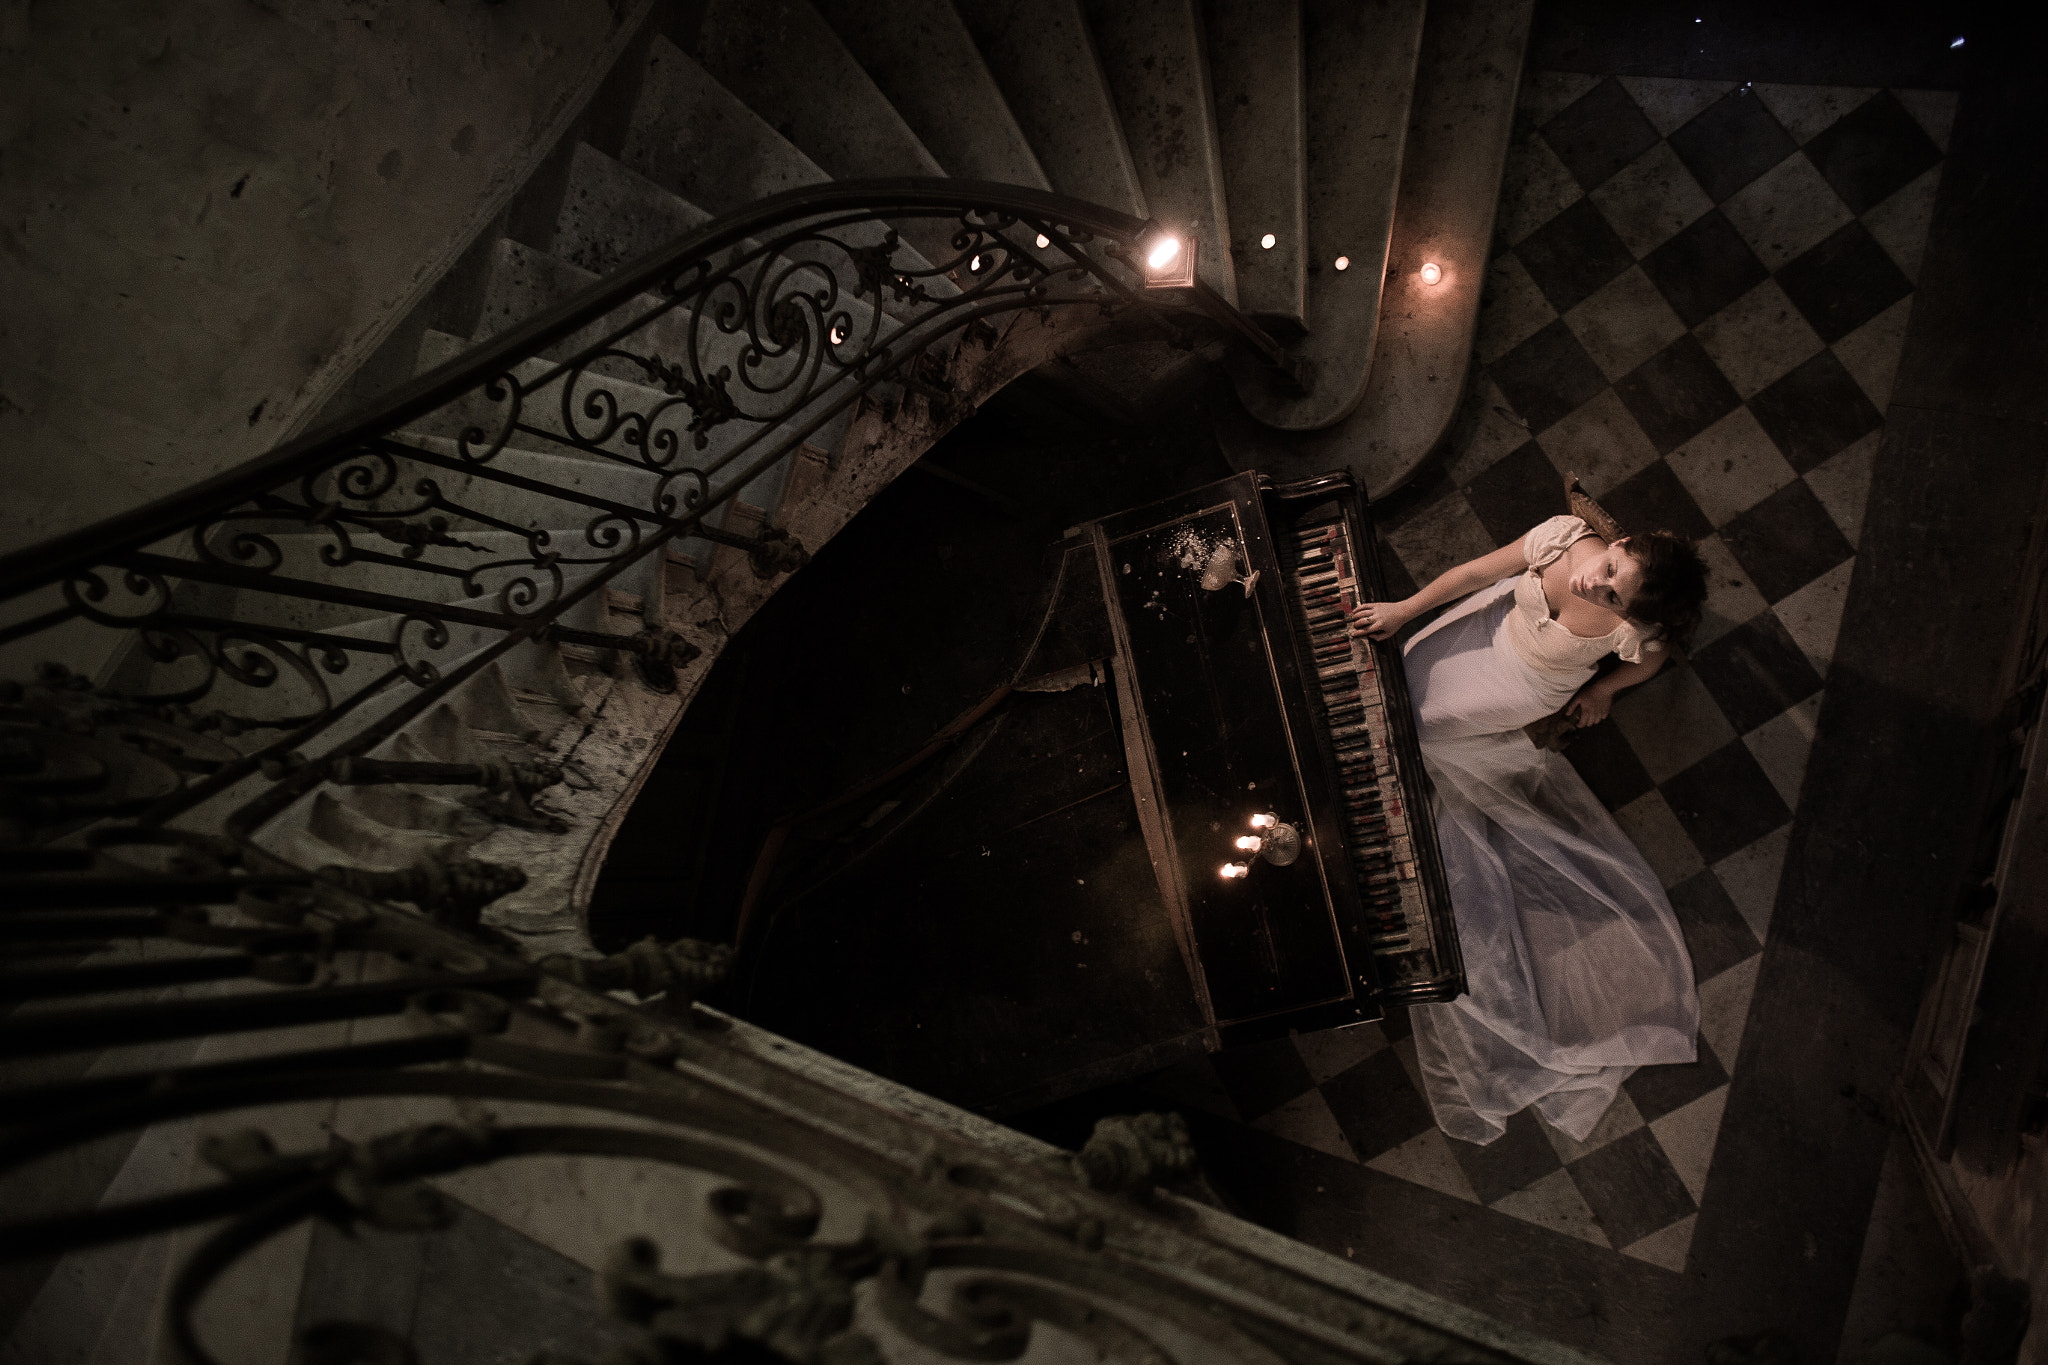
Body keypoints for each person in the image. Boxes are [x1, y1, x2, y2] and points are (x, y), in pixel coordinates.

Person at [1349, 514, 1711, 1145]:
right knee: (1398, 665)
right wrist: (1405, 610)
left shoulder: (1635, 630)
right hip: (1493, 619)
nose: (1596, 589)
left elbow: (1650, 661)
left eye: (1612, 597)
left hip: (1525, 683)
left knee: (1421, 726)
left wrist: (1606, 693)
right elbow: (1477, 573)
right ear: (1617, 545)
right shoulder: (1565, 538)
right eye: (1608, 573)